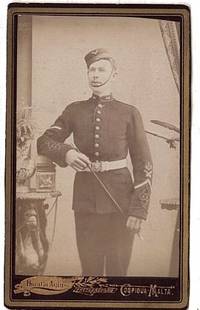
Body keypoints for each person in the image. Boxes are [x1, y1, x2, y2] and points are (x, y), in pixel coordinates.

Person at [37, 48, 153, 276]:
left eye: (102, 69)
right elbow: (44, 141)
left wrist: (138, 210)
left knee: (117, 273)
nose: (95, 75)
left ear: (114, 74)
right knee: (89, 274)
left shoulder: (129, 113)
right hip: (86, 203)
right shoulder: (74, 110)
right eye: (92, 69)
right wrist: (67, 153)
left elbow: (144, 164)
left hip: (121, 202)